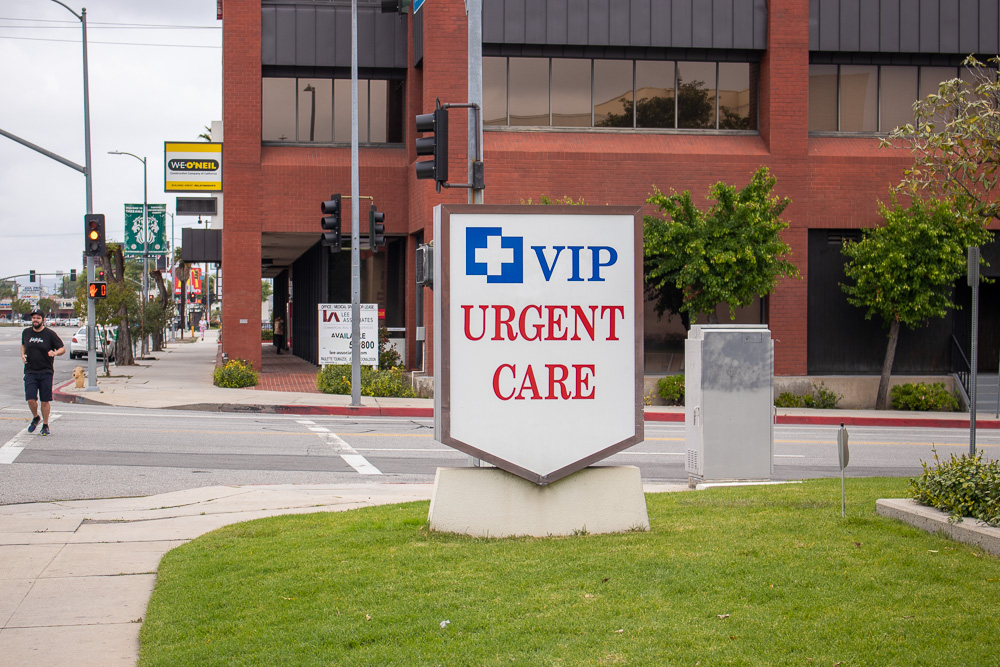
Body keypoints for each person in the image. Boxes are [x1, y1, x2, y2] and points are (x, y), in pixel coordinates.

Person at [20, 307, 65, 436]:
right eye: (33, 318)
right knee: (30, 399)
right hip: (30, 371)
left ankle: (45, 425)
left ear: (43, 320)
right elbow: (23, 345)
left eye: (38, 318)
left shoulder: (49, 334)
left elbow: (62, 348)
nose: (35, 320)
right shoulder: (26, 332)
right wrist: (23, 355)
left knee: (45, 400)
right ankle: (35, 417)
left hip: (46, 371)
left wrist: (54, 352)